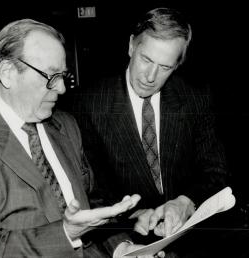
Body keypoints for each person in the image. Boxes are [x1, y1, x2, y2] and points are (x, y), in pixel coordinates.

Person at [0, 18, 166, 258]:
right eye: (51, 76)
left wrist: (122, 248)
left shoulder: (65, 125)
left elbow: (90, 203)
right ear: (8, 73)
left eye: (63, 76)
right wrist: (65, 233)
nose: (62, 88)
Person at [67, 7, 230, 250]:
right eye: (146, 60)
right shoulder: (88, 104)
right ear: (132, 46)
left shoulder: (195, 97)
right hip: (126, 241)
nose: (150, 77)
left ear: (177, 65)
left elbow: (215, 171)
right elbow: (92, 190)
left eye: (165, 67)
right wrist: (132, 216)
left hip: (194, 241)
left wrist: (186, 201)